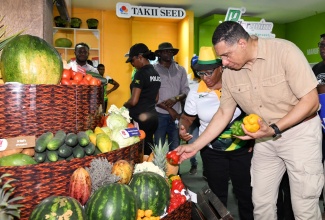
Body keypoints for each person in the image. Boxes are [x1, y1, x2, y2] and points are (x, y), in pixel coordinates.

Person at [176, 21, 323, 220]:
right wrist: (195, 146)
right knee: (261, 204)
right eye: (221, 57)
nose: (224, 63)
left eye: (226, 55)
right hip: (265, 139)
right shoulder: (230, 73)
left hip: (300, 134)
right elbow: (223, 113)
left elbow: (311, 102)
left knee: (303, 207)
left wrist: (273, 129)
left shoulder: (284, 52)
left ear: (242, 44)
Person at [179, 46, 253, 219]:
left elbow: (253, 114)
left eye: (209, 72)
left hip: (241, 150)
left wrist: (253, 141)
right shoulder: (196, 93)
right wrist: (183, 128)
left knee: (245, 193)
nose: (205, 78)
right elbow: (187, 118)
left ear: (221, 68)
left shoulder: (236, 86)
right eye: (201, 74)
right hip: (212, 151)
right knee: (216, 196)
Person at [124, 43, 161, 155]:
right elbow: (156, 98)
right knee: (149, 146)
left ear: (140, 57)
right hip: (153, 118)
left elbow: (134, 101)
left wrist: (124, 105)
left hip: (140, 118)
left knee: (138, 149)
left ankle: (143, 170)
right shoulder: (155, 73)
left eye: (132, 60)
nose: (132, 64)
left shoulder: (140, 74)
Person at [153, 42, 190, 151]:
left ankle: (175, 169)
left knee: (175, 148)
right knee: (159, 148)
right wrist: (169, 109)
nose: (169, 53)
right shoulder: (153, 70)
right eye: (165, 51)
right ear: (159, 54)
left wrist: (176, 98)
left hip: (177, 116)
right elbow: (152, 96)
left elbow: (186, 90)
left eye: (171, 51)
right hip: (160, 114)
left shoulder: (181, 70)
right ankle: (159, 169)